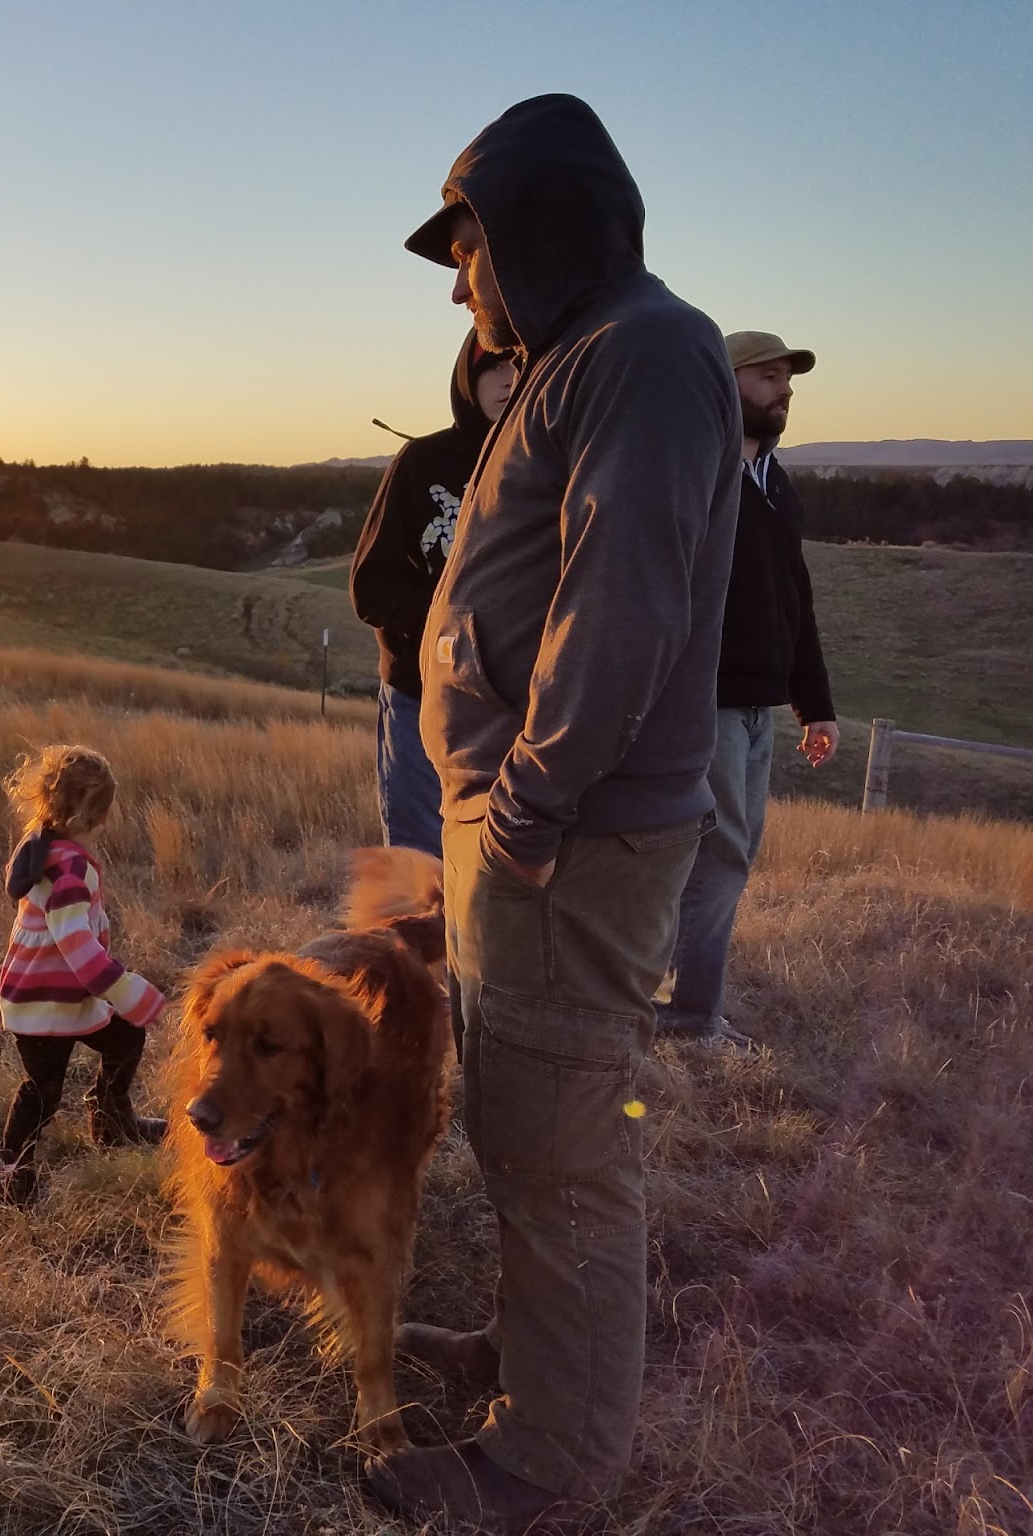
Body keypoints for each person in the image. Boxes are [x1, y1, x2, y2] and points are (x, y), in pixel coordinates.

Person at [369, 96, 742, 1528]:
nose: (458, 282)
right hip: (530, 822)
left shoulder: (640, 352)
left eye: (466, 247)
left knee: (559, 1143)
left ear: (534, 224)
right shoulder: (580, 357)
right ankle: (531, 1356)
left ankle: (551, 1459)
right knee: (525, 1120)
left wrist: (525, 801)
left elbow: (620, 604)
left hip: (566, 832)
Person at [655, 330, 838, 1048]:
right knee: (718, 854)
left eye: (787, 378)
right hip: (706, 701)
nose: (784, 389)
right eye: (767, 376)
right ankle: (690, 1015)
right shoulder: (693, 470)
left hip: (759, 709)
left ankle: (683, 1004)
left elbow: (796, 598)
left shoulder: (774, 483)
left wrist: (814, 704)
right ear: (724, 382)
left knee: (730, 854)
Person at [351, 333, 517, 857]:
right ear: (468, 377)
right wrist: (451, 636)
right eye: (495, 366)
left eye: (523, 365)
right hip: (422, 696)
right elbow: (371, 585)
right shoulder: (423, 463)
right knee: (420, 867)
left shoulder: (555, 465)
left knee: (504, 868)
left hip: (520, 708)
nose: (510, 379)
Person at [0, 745, 167, 1201]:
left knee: (125, 1039)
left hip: (62, 996)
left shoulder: (41, 846)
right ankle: (12, 1171)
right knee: (43, 1092)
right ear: (94, 813)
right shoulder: (69, 868)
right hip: (42, 1003)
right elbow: (79, 949)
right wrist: (131, 993)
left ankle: (111, 1121)